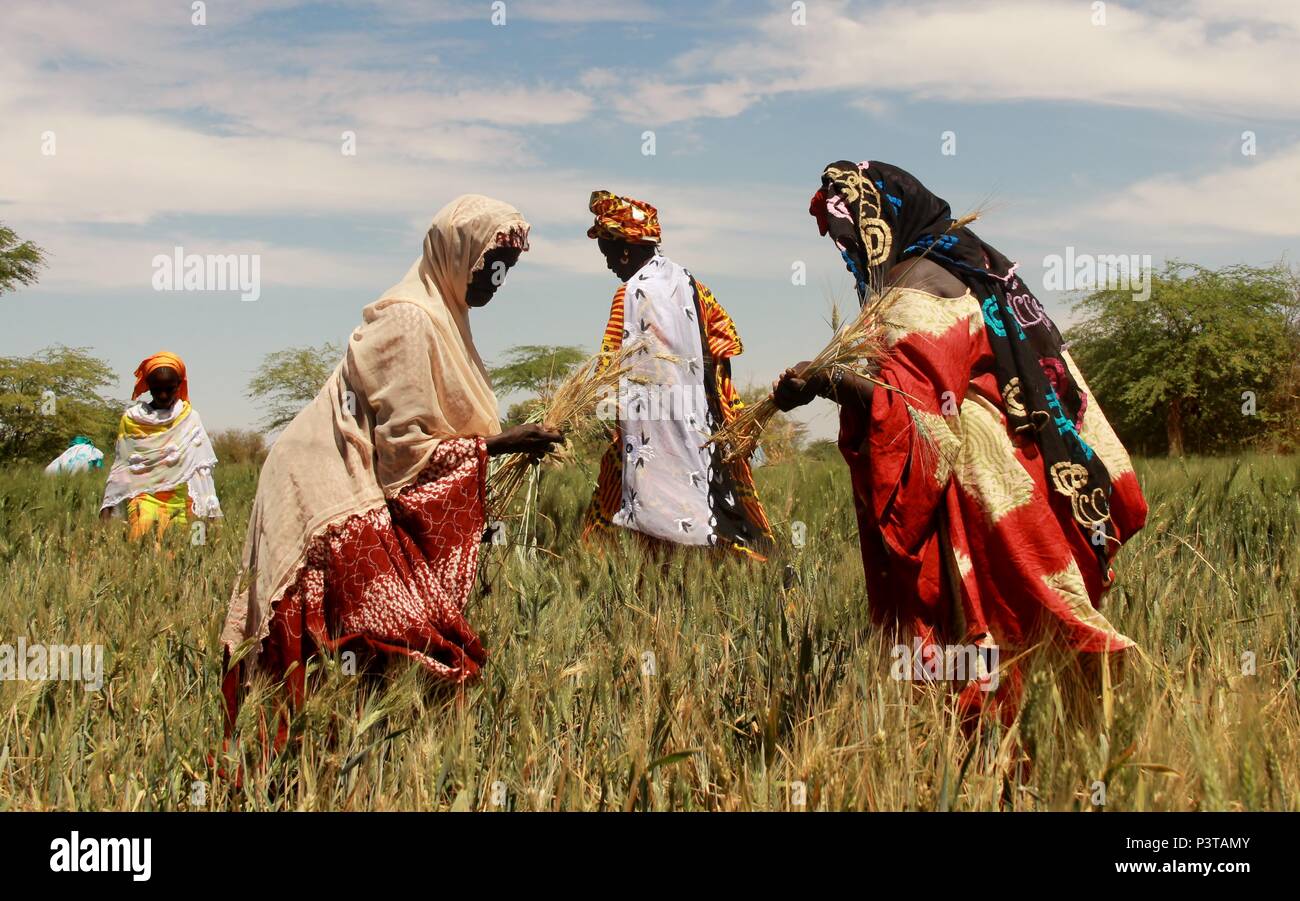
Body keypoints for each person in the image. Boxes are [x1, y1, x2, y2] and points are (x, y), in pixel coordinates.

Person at [775, 160, 1148, 720]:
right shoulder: (956, 270)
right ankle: (1041, 743)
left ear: (883, 224)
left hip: (978, 477)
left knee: (994, 619)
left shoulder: (914, 286)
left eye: (852, 235)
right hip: (1009, 465)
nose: (848, 251)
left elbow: (917, 415)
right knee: (1015, 627)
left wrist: (830, 381)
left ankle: (1011, 753)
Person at [220, 195, 561, 752]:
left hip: (355, 475)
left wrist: (497, 446)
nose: (497, 278)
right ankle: (302, 749)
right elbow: (405, 448)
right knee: (379, 610)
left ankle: (363, 745)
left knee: (385, 616)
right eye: (489, 264)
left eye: (508, 269)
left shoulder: (449, 323)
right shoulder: (410, 318)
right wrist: (501, 445)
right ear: (455, 254)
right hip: (325, 479)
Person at [581, 190, 772, 558]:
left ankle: (644, 603)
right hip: (701, 430)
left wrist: (599, 412)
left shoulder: (630, 294)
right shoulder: (695, 287)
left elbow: (610, 370)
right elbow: (723, 353)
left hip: (648, 431)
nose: (609, 265)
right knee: (709, 513)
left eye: (608, 254)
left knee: (634, 523)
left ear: (625, 248)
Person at [98, 352, 222, 541]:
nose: (163, 395)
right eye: (157, 389)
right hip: (143, 496)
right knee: (143, 538)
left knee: (176, 551)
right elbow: (121, 469)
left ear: (179, 385)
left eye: (170, 388)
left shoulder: (189, 419)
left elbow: (201, 469)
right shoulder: (132, 420)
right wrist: (107, 509)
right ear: (148, 386)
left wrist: (210, 513)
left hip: (178, 498)